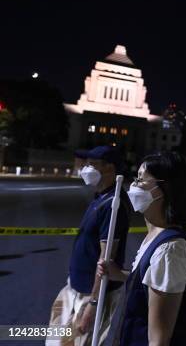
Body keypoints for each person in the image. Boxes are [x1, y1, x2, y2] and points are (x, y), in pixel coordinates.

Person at [99, 151, 186, 345]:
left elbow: (158, 340)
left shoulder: (171, 250)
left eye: (141, 180)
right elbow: (151, 283)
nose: (134, 186)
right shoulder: (156, 236)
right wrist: (121, 275)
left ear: (165, 189)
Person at [47, 146, 131, 346]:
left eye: (91, 165)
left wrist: (93, 304)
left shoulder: (113, 205)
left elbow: (106, 260)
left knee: (75, 341)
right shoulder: (100, 198)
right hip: (74, 286)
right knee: (54, 340)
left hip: (91, 294)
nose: (85, 169)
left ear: (109, 168)